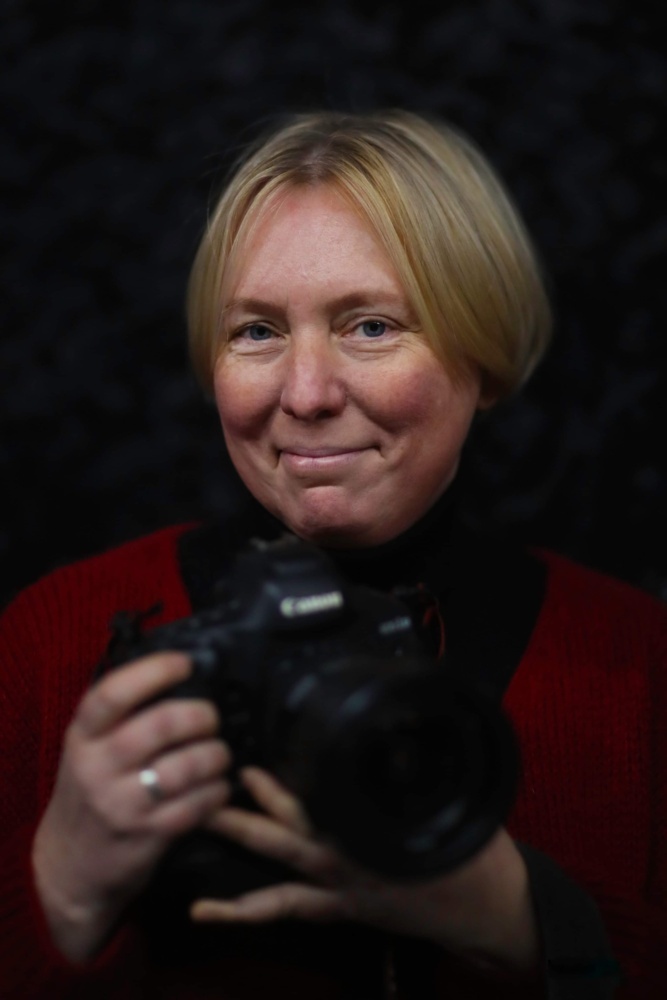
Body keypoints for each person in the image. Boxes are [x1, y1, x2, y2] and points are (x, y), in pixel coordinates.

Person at [1, 108, 664, 1000]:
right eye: (256, 331)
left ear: (483, 354)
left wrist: (520, 918)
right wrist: (61, 887)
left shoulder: (638, 662)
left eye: (371, 326)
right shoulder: (52, 641)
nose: (306, 394)